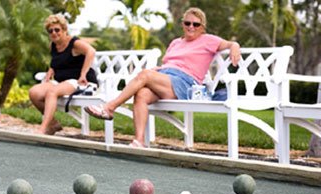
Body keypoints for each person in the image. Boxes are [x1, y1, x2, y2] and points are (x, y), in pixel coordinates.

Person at [84, 7, 241, 148]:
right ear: (183, 24)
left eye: (196, 24)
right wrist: (158, 69)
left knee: (144, 74)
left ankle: (109, 108)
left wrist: (235, 46)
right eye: (187, 23)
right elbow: (169, 63)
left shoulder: (209, 40)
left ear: (202, 27)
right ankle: (139, 141)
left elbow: (229, 43)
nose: (191, 27)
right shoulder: (175, 42)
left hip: (186, 83)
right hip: (166, 77)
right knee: (141, 94)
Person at [29, 14, 98, 135]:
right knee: (34, 92)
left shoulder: (74, 43)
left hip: (79, 81)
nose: (54, 33)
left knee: (52, 93)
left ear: (64, 30)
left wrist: (83, 74)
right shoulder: (54, 45)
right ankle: (53, 124)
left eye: (57, 30)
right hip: (61, 81)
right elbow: (58, 61)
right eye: (50, 31)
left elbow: (91, 51)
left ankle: (42, 129)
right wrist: (51, 69)